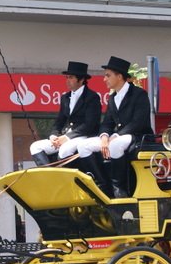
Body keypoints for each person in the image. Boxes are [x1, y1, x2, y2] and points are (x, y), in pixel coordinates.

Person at [77, 56, 153, 198]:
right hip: (117, 137)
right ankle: (102, 185)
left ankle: (119, 187)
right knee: (83, 146)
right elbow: (107, 123)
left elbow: (139, 122)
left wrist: (115, 136)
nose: (104, 79)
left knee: (115, 145)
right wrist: (105, 137)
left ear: (119, 76)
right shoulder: (112, 98)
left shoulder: (139, 94)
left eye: (108, 75)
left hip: (138, 136)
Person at [30, 61, 102, 166]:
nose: (67, 81)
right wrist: (53, 135)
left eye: (71, 77)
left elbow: (89, 124)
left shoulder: (92, 97)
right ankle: (49, 175)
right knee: (35, 146)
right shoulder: (65, 97)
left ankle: (67, 178)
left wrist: (67, 137)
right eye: (67, 77)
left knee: (65, 149)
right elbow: (60, 120)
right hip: (66, 136)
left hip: (84, 136)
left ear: (81, 79)